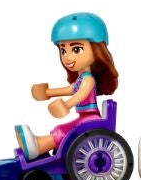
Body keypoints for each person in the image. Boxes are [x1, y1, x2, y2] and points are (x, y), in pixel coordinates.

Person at [15, 12, 120, 161]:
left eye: (76, 49)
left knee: (63, 131)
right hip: (85, 117)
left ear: (96, 50)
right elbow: (70, 89)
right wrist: (47, 92)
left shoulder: (88, 80)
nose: (68, 57)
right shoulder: (81, 79)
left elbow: (80, 95)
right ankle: (38, 144)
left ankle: (38, 146)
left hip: (90, 119)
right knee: (61, 129)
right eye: (63, 50)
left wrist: (67, 105)